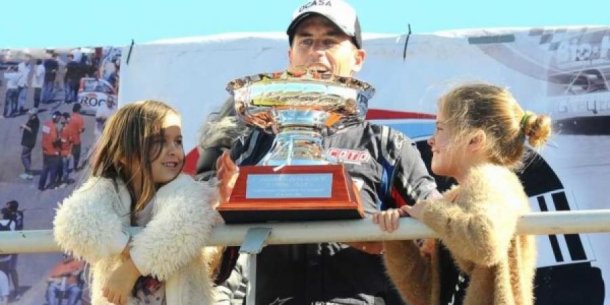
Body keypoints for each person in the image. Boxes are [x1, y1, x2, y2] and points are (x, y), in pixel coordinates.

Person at [213, 1, 439, 304]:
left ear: (358, 58)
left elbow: (434, 224)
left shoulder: (388, 145)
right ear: (290, 56)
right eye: (306, 40)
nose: (316, 51)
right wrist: (221, 205)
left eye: (330, 41)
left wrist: (384, 234)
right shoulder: (253, 145)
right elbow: (221, 257)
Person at [373, 83, 551, 305]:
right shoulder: (454, 199)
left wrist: (430, 211)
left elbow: (485, 244)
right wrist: (398, 238)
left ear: (475, 140)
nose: (431, 140)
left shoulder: (492, 179)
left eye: (439, 129)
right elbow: (425, 295)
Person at [53, 100, 221, 305]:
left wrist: (132, 268)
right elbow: (73, 220)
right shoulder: (107, 189)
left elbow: (185, 224)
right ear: (124, 154)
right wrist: (125, 246)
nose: (174, 150)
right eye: (159, 141)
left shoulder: (186, 190)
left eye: (177, 141)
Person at [0, 201, 23, 299]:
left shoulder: (12, 218)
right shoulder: (17, 216)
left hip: (9, 246)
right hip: (15, 244)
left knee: (7, 270)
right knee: (11, 269)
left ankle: (8, 293)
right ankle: (16, 291)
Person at [38, 111, 62, 191]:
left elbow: (45, 135)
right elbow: (54, 140)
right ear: (56, 117)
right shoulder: (53, 127)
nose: (59, 119)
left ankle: (41, 185)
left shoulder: (46, 124)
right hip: (53, 152)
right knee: (53, 169)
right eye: (59, 118)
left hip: (45, 151)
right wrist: (60, 138)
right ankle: (52, 184)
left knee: (45, 169)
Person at [19, 108, 40, 180]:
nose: (29, 114)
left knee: (23, 156)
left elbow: (32, 130)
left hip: (29, 142)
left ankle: (29, 172)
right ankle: (27, 171)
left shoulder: (35, 121)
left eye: (30, 113)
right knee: (27, 156)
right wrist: (24, 126)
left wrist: (24, 126)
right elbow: (29, 126)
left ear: (34, 114)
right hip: (27, 140)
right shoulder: (31, 119)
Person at [67, 103, 85, 171]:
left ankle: (66, 168)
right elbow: (80, 130)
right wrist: (82, 129)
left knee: (67, 155)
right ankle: (75, 168)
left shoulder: (69, 117)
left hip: (68, 139)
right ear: (78, 109)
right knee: (76, 156)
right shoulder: (80, 118)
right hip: (76, 140)